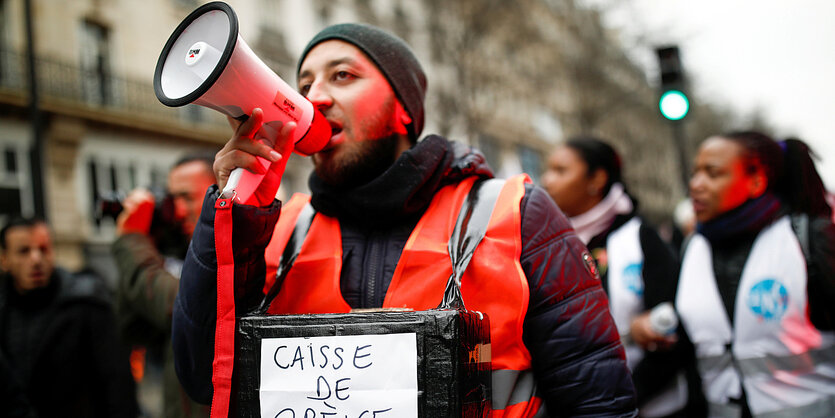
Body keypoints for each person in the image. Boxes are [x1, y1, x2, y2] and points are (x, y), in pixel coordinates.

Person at [172, 23, 638, 417]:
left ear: (403, 110)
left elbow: (598, 398)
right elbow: (203, 377)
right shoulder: (276, 225)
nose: (316, 97)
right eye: (306, 84)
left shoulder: (516, 210)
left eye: (342, 75)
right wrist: (236, 205)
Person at [660, 131, 835, 417]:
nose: (695, 185)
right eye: (695, 174)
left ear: (756, 181)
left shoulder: (809, 239)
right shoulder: (693, 248)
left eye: (713, 174)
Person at [541, 137, 703, 417]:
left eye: (560, 170)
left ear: (597, 179)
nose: (547, 180)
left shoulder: (641, 239)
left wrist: (624, 397)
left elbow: (677, 333)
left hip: (656, 408)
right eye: (549, 170)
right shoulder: (546, 245)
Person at [0, 216, 138, 417]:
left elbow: (117, 384)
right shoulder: (4, 312)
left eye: (44, 249)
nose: (36, 259)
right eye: (24, 251)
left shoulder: (87, 303)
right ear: (4, 259)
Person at [113, 153, 216, 418]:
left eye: (188, 197)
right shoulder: (179, 253)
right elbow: (134, 329)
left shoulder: (230, 257)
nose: (178, 211)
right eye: (173, 200)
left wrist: (132, 241)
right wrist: (150, 240)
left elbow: (179, 305)